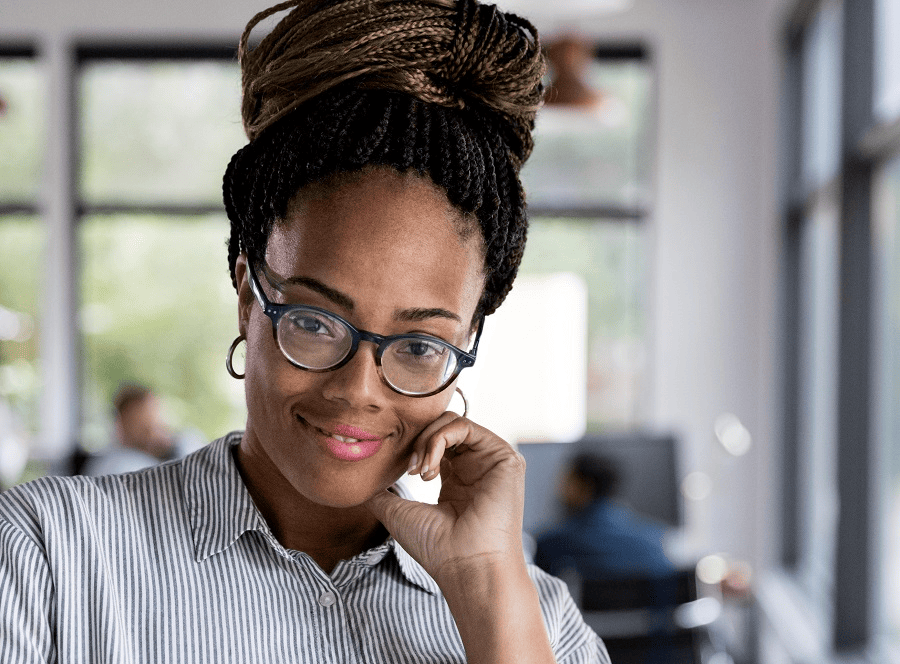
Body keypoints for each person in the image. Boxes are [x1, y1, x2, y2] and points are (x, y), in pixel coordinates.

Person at [0, 0, 609, 662]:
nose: (357, 391)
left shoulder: (543, 625)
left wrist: (493, 597)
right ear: (246, 297)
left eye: (418, 346)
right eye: (317, 322)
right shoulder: (48, 557)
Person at [535, 453, 674, 581]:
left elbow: (539, 599)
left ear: (583, 487)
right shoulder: (655, 539)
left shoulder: (553, 544)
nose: (559, 488)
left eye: (566, 482)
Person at [81, 383, 177, 476]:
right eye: (147, 425)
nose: (157, 431)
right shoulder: (121, 466)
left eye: (157, 424)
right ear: (121, 424)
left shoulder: (157, 459)